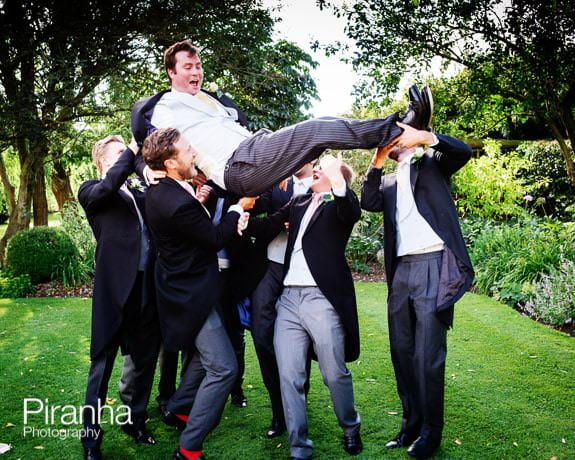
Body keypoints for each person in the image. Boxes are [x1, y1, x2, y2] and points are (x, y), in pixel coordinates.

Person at [131, 40, 433, 197]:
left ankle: (399, 129)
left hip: (253, 148)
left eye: (198, 66)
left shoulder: (212, 101)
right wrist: (146, 170)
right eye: (187, 67)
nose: (196, 72)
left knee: (317, 140)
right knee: (316, 129)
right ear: (171, 72)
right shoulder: (163, 107)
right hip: (236, 164)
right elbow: (141, 143)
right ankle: (399, 126)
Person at [360, 122, 475, 459]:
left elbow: (463, 151)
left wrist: (425, 137)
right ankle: (411, 423)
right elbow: (368, 201)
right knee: (403, 351)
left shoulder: (433, 164)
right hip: (401, 271)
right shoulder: (392, 180)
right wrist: (378, 159)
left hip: (432, 263)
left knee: (427, 356)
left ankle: (430, 432)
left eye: (396, 135)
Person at [141, 127, 251, 460]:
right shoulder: (174, 200)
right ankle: (190, 447)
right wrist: (239, 208)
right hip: (192, 295)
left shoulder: (165, 189)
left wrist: (199, 200)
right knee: (224, 368)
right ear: (171, 162)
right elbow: (215, 237)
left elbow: (190, 228)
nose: (194, 153)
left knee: (205, 358)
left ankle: (177, 409)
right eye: (188, 150)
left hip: (190, 288)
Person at [246, 155, 363, 459]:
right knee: (289, 375)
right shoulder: (298, 203)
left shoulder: (340, 206)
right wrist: (240, 220)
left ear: (336, 178)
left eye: (323, 169)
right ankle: (299, 446)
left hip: (321, 300)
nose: (317, 171)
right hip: (288, 300)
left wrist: (337, 171)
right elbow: (270, 224)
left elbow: (351, 207)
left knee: (333, 373)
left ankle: (351, 428)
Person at [78, 135, 160, 460]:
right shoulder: (93, 192)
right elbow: (111, 183)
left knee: (143, 362)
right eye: (118, 154)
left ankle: (134, 421)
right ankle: (90, 439)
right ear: (102, 162)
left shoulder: (139, 196)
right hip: (114, 294)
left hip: (144, 290)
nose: (126, 157)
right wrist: (132, 151)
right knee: (101, 367)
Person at [249, 162, 314, 438]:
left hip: (304, 272)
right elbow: (251, 214)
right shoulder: (277, 184)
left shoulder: (323, 184)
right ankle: (279, 411)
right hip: (270, 266)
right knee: (262, 336)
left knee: (301, 340)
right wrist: (278, 220)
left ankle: (297, 405)